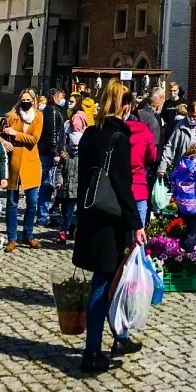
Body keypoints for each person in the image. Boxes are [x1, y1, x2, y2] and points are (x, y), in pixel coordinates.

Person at [73, 81, 145, 374]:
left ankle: (115, 339)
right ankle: (93, 351)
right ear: (123, 105)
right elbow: (122, 184)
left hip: (91, 212)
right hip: (110, 217)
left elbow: (82, 177)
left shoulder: (90, 133)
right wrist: (136, 224)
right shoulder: (118, 137)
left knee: (104, 283)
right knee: (104, 284)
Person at [1, 89, 43, 251]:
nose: (26, 102)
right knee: (12, 203)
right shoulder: (13, 115)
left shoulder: (38, 116)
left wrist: (16, 134)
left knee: (32, 203)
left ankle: (28, 234)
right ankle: (12, 238)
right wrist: (4, 140)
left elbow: (34, 139)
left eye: (28, 99)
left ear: (33, 101)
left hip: (31, 162)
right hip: (14, 163)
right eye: (23, 99)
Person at [157, 99, 196, 178]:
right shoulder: (181, 125)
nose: (191, 118)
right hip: (185, 169)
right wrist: (163, 167)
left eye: (194, 116)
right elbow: (171, 146)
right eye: (189, 115)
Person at [59, 96, 89, 243]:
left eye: (71, 102)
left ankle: (66, 230)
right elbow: (59, 170)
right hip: (66, 186)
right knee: (66, 210)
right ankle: (68, 229)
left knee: (72, 211)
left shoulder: (77, 118)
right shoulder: (66, 155)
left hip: (77, 186)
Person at [125, 100, 158, 225]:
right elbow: (152, 156)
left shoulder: (118, 130)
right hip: (139, 182)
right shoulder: (144, 131)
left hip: (119, 185)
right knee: (139, 229)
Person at [38, 88, 67, 226]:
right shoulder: (53, 112)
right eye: (62, 97)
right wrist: (55, 152)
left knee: (48, 183)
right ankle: (42, 216)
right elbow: (53, 134)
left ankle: (44, 214)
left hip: (48, 152)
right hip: (49, 153)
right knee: (47, 184)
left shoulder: (52, 111)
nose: (63, 99)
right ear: (55, 97)